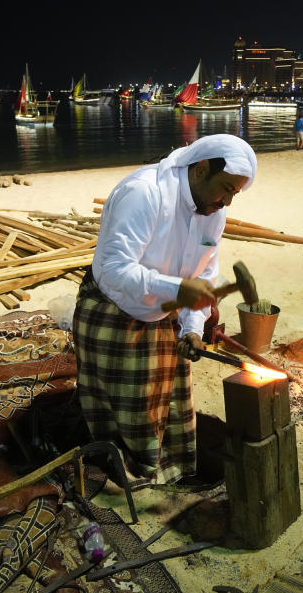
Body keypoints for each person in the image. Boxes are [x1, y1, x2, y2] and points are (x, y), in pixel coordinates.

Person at [73, 134, 256, 485]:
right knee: (132, 408)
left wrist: (191, 329)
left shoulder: (212, 211)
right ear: (201, 169)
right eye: (227, 189)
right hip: (113, 307)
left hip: (164, 309)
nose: (228, 201)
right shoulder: (144, 193)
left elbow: (204, 275)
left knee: (172, 399)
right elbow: (113, 267)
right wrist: (177, 289)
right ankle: (131, 470)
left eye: (236, 193)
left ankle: (169, 470)